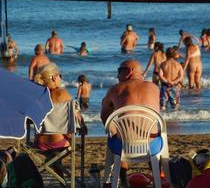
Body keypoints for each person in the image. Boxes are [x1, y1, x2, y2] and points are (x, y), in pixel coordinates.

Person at [101, 59, 160, 188]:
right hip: (152, 145)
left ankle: (123, 180)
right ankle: (158, 178)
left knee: (116, 136)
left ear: (130, 71)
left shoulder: (115, 89)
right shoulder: (154, 87)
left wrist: (114, 130)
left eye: (119, 71)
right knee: (154, 133)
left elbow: (104, 117)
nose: (117, 76)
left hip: (124, 147)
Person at [33, 63, 87, 183]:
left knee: (54, 160)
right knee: (57, 155)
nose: (61, 78)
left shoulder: (37, 95)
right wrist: (83, 126)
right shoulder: (62, 93)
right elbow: (77, 115)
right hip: (60, 144)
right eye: (60, 75)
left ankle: (61, 180)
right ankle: (64, 181)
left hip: (39, 144)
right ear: (53, 77)